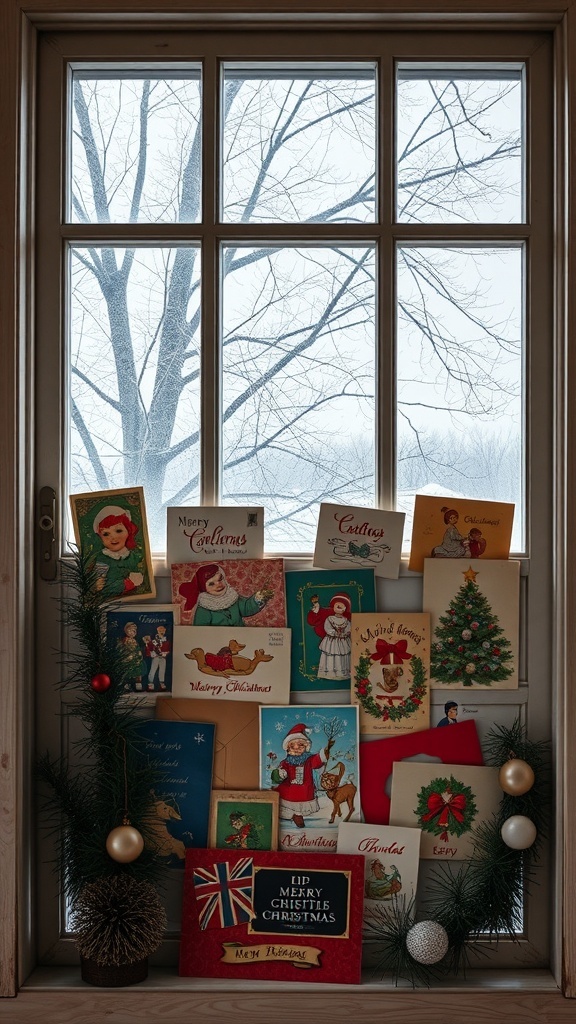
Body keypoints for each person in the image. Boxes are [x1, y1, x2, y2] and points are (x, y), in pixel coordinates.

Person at [272, 723, 334, 828]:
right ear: (288, 747)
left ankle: (298, 815)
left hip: (304, 790)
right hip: (289, 790)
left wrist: (324, 754)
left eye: (300, 745)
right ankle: (291, 815)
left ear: (306, 747)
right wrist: (280, 774)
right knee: (283, 804)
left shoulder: (309, 760)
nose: (296, 748)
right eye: (293, 745)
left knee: (301, 805)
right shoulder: (285, 762)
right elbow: (277, 775)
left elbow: (317, 761)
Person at [178, 562, 273, 626]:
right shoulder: (204, 608)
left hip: (240, 640)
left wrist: (258, 598)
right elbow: (200, 631)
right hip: (217, 644)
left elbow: (247, 608)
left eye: (220, 579)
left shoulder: (233, 597)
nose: (219, 584)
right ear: (203, 588)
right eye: (211, 584)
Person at [92, 505, 144, 597]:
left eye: (119, 531)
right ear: (100, 537)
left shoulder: (133, 556)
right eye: (106, 534)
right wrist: (127, 584)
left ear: (128, 531)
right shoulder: (103, 559)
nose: (113, 537)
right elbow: (101, 587)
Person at [307, 592, 352, 680]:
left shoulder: (346, 620)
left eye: (342, 606)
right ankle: (329, 672)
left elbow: (348, 628)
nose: (339, 608)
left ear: (345, 609)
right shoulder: (330, 618)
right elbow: (327, 627)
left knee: (341, 655)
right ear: (333, 607)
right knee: (331, 655)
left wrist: (345, 633)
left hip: (342, 641)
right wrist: (333, 633)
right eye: (337, 606)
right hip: (331, 641)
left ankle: (342, 672)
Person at [118, 621, 147, 691]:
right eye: (130, 630)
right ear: (126, 631)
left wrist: (140, 653)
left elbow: (137, 648)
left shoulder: (134, 640)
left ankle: (138, 683)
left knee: (139, 670)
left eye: (134, 631)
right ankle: (126, 684)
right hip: (129, 659)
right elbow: (124, 649)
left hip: (136, 659)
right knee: (127, 672)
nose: (132, 632)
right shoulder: (125, 640)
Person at [145, 624, 170, 692]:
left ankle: (162, 683)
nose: (161, 631)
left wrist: (165, 653)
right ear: (157, 631)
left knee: (162, 670)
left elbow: (168, 649)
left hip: (163, 657)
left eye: (163, 630)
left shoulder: (166, 641)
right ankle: (150, 683)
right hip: (156, 657)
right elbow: (149, 648)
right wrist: (151, 652)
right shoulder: (154, 640)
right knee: (153, 670)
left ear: (165, 631)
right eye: (160, 630)